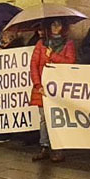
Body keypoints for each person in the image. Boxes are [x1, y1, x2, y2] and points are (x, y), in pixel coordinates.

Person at [30, 19, 76, 163]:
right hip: (43, 88)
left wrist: (53, 56)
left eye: (58, 25)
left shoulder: (68, 44)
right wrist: (38, 85)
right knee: (44, 118)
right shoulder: (41, 44)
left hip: (59, 88)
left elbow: (70, 61)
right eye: (53, 25)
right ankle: (44, 146)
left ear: (63, 27)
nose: (56, 28)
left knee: (58, 118)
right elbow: (34, 65)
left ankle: (58, 148)